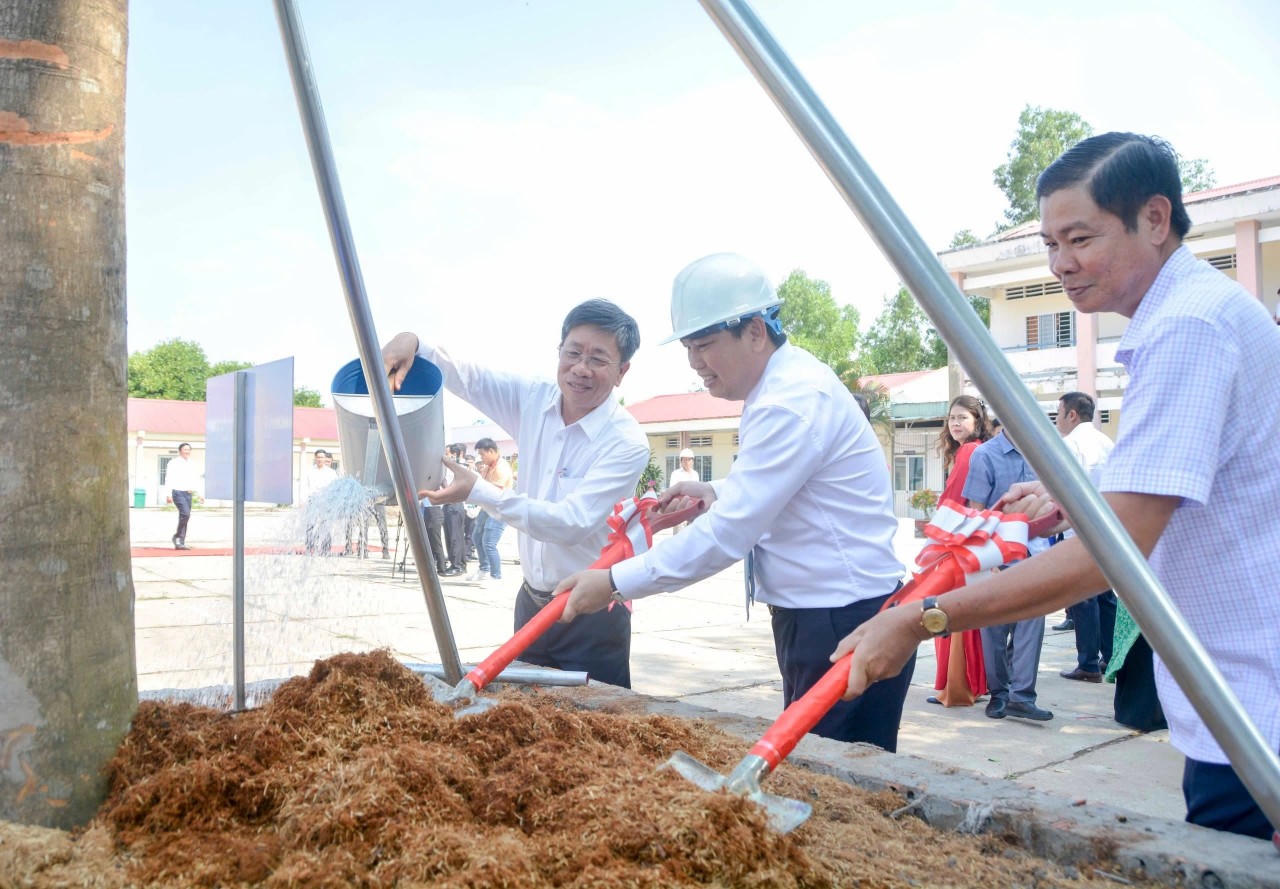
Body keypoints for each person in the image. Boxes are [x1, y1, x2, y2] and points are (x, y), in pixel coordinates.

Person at [835, 133, 1280, 842]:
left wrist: (923, 619)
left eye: (1080, 239)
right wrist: (1070, 504)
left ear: (1154, 218)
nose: (1060, 264)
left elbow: (1114, 554)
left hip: (1254, 708)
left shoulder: (1189, 328)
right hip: (1238, 696)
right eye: (1050, 243)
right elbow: (1182, 493)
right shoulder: (1194, 314)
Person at [554, 253, 913, 751]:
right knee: (815, 758)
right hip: (821, 613)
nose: (695, 362)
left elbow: (727, 535)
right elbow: (784, 482)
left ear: (755, 332)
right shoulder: (780, 387)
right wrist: (718, 490)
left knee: (840, 771)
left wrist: (614, 581)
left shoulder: (789, 401)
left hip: (842, 617)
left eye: (705, 345)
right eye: (688, 348)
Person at [384, 299, 649, 688]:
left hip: (591, 617)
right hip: (531, 605)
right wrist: (414, 342)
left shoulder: (625, 441)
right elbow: (470, 378)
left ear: (622, 371)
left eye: (597, 359)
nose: (580, 368)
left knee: (596, 719)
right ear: (559, 351)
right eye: (573, 352)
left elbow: (571, 523)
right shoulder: (534, 400)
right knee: (525, 715)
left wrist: (480, 491)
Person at [963, 423, 1054, 721]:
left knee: (1032, 623)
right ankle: (999, 693)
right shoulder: (985, 455)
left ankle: (1022, 696)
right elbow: (976, 511)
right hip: (997, 553)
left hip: (1035, 553)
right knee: (994, 629)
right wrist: (985, 559)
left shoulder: (1041, 452)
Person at [927, 394, 993, 707]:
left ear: (977, 421)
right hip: (973, 538)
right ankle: (971, 683)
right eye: (952, 418)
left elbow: (953, 500)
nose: (955, 424)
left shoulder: (969, 451)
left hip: (957, 538)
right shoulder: (979, 449)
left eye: (962, 418)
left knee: (950, 612)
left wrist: (935, 536)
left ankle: (958, 686)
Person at [1055, 391, 1116, 683]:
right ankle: (1111, 658)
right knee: (1105, 596)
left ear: (1072, 415)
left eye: (1058, 414)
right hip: (1108, 528)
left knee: (1083, 597)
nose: (1056, 421)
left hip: (1079, 529)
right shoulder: (1107, 443)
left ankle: (1088, 664)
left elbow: (1063, 488)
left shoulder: (1070, 445)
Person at [466, 438, 513, 582]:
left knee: (489, 542)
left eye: (482, 454)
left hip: (499, 509)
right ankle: (484, 569)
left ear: (491, 451)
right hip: (487, 507)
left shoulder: (502, 467)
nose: (481, 458)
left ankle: (495, 575)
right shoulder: (487, 467)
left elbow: (493, 490)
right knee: (476, 537)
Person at [301, 449, 338, 555]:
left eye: (322, 457)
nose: (320, 459)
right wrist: (303, 500)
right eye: (318, 457)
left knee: (326, 525)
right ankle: (310, 548)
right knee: (310, 525)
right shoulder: (310, 472)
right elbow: (304, 486)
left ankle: (326, 549)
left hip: (326, 502)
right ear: (315, 458)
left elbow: (335, 488)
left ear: (325, 459)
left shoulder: (331, 473)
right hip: (313, 501)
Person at [165, 443, 199, 550]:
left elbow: (195, 478)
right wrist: (168, 494)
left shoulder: (192, 463)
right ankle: (177, 537)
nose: (187, 451)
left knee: (185, 516)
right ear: (180, 451)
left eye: (189, 449)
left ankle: (180, 542)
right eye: (185, 449)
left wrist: (198, 493)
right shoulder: (173, 463)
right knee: (185, 513)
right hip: (177, 492)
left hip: (188, 493)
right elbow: (168, 478)